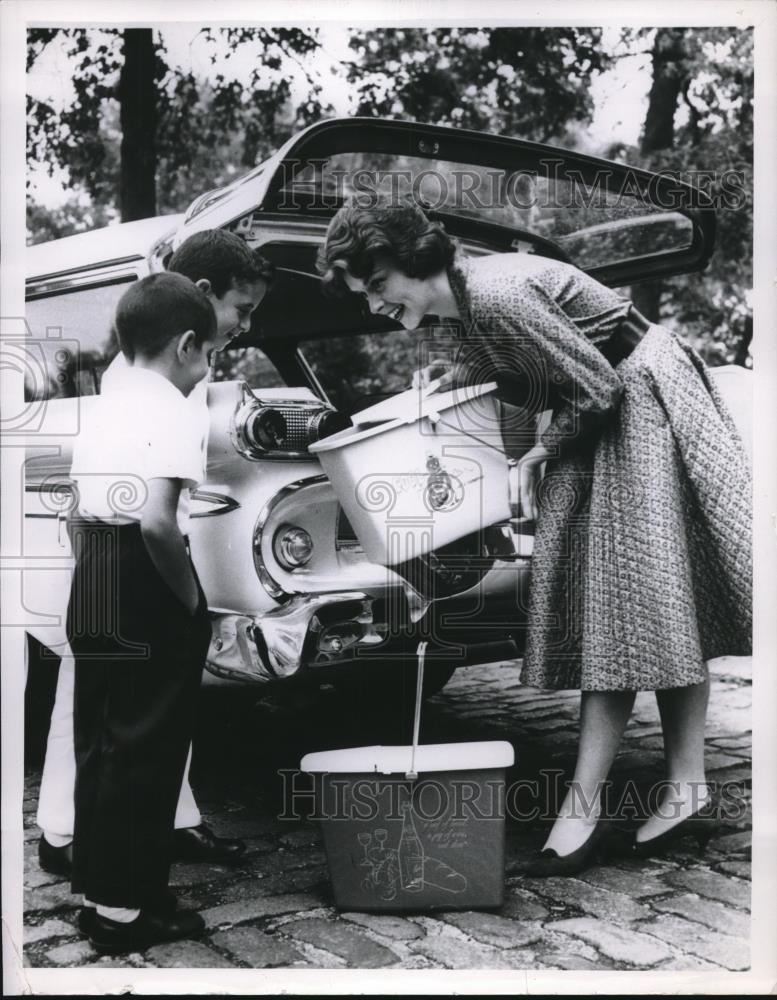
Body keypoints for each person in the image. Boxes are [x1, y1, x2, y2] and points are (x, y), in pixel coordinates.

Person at [317, 196, 752, 874]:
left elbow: (595, 387)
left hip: (638, 399)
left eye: (378, 285)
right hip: (617, 404)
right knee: (650, 599)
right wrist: (454, 381)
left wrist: (537, 455)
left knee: (624, 601)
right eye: (362, 294)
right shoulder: (462, 306)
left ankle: (587, 806)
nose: (374, 304)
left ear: (414, 260)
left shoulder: (495, 292)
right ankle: (680, 784)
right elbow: (523, 372)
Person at [37, 230, 273, 878]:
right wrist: (190, 601)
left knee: (126, 717)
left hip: (99, 545)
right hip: (134, 547)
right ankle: (71, 837)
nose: (244, 325)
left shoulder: (137, 367)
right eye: (240, 309)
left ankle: (143, 835)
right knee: (119, 718)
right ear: (198, 304)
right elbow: (157, 516)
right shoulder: (172, 377)